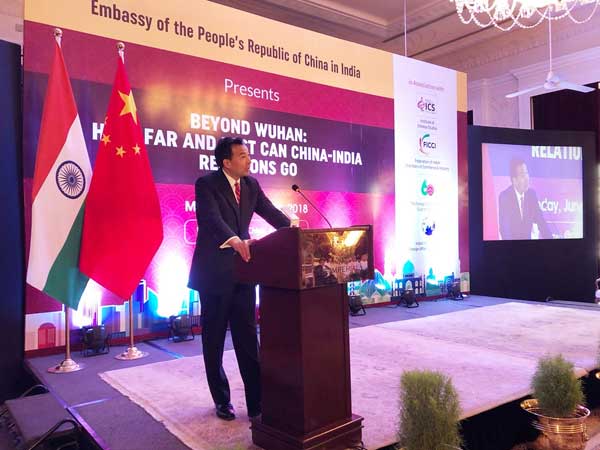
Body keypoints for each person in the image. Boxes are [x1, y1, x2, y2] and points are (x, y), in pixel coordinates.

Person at [188, 137, 290, 421]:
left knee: (248, 339)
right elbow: (211, 219)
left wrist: (294, 230)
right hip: (214, 273)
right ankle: (222, 400)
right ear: (227, 162)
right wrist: (234, 240)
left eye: (248, 155)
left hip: (244, 272)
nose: (249, 160)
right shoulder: (206, 184)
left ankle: (257, 402)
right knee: (214, 339)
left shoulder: (251, 185)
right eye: (243, 156)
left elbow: (271, 213)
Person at [498, 158, 551, 240]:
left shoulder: (531, 195)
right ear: (514, 180)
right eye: (523, 175)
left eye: (527, 173)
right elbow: (505, 229)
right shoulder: (505, 197)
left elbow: (541, 222)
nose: (527, 178)